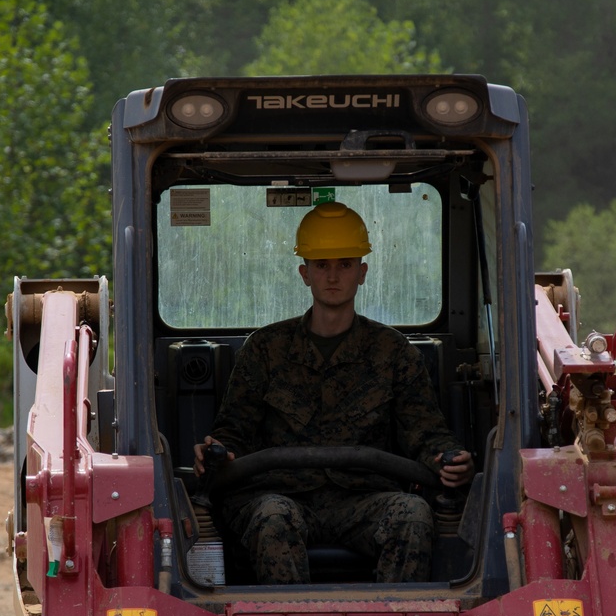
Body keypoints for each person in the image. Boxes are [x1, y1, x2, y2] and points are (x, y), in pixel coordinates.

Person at [194, 201, 473, 584]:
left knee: (412, 514)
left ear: (362, 272)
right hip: (282, 495)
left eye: (344, 264)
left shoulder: (392, 352)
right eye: (322, 264)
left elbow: (425, 432)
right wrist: (217, 452)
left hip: (364, 498)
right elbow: (234, 432)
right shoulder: (265, 349)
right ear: (304, 273)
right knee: (272, 516)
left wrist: (448, 460)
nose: (333, 275)